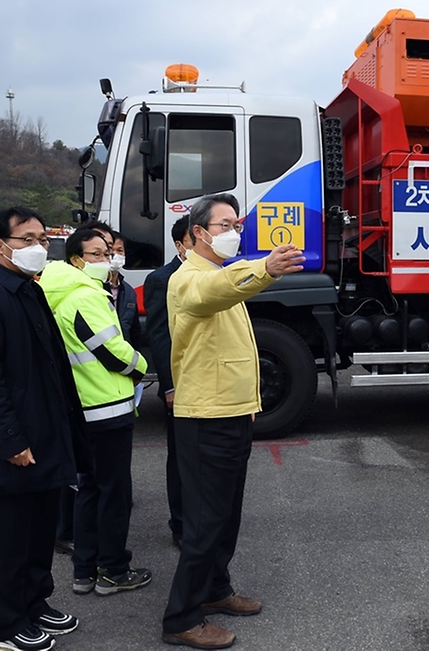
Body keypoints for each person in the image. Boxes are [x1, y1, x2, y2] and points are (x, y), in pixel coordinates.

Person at [161, 194, 305, 649]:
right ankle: (181, 617)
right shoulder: (191, 278)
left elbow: (227, 290)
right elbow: (216, 294)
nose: (233, 231)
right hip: (207, 417)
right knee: (205, 521)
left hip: (232, 412)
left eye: (235, 223)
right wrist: (265, 268)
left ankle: (215, 590)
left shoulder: (218, 273)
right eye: (223, 224)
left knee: (225, 515)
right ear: (198, 233)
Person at [0, 206, 86, 651]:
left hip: (46, 433)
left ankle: (35, 602)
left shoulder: (31, 292)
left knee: (39, 529)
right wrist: (11, 440)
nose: (39, 247)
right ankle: (6, 625)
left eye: (42, 238)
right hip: (15, 442)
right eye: (27, 239)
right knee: (11, 536)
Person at [38, 228, 152, 597]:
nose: (107, 260)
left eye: (108, 253)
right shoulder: (84, 298)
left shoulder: (60, 294)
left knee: (89, 489)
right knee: (114, 493)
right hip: (107, 408)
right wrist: (141, 366)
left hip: (85, 407)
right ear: (76, 260)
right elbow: (112, 351)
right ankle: (113, 571)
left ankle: (84, 570)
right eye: (98, 254)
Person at [143, 214, 192, 550]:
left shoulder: (216, 274)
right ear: (180, 244)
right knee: (182, 457)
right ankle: (181, 524)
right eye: (196, 239)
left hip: (211, 386)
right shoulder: (162, 278)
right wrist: (170, 384)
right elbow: (160, 335)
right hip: (182, 384)